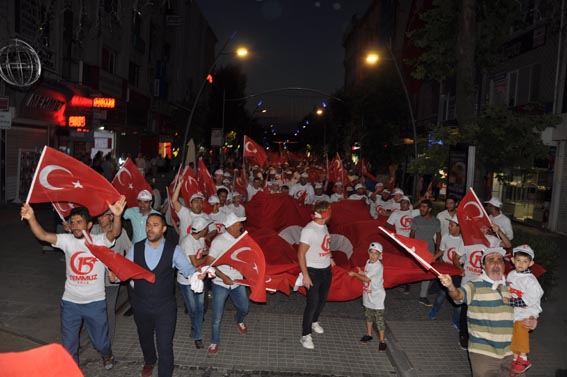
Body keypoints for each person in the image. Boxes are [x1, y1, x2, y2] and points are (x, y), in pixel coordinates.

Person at [20, 198, 126, 369]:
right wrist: (31, 217)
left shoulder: (98, 241)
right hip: (70, 303)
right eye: (72, 222)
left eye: (79, 222)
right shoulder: (66, 240)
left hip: (95, 302)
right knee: (69, 347)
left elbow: (114, 233)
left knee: (100, 343)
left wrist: (117, 216)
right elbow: (43, 235)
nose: (75, 226)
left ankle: (106, 353)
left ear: (89, 225)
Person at [120, 213, 202, 377]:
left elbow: (188, 269)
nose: (150, 228)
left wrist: (197, 275)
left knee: (165, 345)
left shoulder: (174, 250)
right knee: (145, 338)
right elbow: (124, 269)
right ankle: (150, 360)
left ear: (164, 229)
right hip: (141, 305)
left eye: (155, 225)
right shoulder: (137, 248)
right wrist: (115, 275)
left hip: (165, 307)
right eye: (148, 224)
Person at [439, 248, 538, 377]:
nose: (496, 263)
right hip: (484, 354)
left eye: (500, 260)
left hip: (512, 352)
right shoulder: (474, 285)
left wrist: (533, 320)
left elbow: (527, 307)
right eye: (491, 260)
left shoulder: (513, 285)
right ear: (483, 266)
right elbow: (458, 296)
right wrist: (451, 286)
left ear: (504, 265)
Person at [453, 223, 512, 350]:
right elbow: (456, 258)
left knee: (482, 312)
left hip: (487, 285)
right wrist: (460, 269)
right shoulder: (467, 241)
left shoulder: (493, 240)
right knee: (465, 312)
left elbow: (508, 245)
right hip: (468, 283)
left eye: (486, 226)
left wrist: (499, 230)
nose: (483, 229)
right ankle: (464, 335)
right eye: (480, 226)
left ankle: (480, 337)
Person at [205, 213, 250, 355]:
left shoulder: (242, 240)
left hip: (238, 281)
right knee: (217, 315)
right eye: (239, 224)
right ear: (231, 227)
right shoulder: (219, 242)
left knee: (244, 307)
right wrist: (223, 276)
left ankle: (239, 319)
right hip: (220, 283)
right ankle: (214, 341)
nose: (241, 226)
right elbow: (209, 262)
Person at [91, 209, 132, 343]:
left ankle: (108, 341)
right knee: (95, 310)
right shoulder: (92, 230)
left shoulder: (121, 232)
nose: (100, 218)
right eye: (98, 216)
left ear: (111, 217)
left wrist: (123, 271)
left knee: (108, 310)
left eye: (103, 216)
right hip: (94, 279)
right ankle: (97, 337)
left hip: (112, 280)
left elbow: (129, 251)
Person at [298, 201, 334, 350]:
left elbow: (325, 244)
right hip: (313, 271)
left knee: (322, 300)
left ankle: (314, 321)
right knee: (312, 303)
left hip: (325, 269)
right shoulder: (309, 230)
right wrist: (305, 275)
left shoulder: (324, 226)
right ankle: (305, 335)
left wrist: (330, 257)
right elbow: (300, 254)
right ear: (325, 215)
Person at [506, 244, 544, 375]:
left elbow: (531, 298)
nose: (521, 264)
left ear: (531, 263)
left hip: (528, 310)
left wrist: (510, 301)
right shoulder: (511, 274)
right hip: (516, 310)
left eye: (525, 261)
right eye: (518, 260)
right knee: (514, 334)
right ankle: (516, 358)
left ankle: (523, 358)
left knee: (521, 328)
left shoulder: (530, 280)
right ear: (512, 260)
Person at [178, 217, 211, 350]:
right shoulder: (187, 242)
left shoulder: (201, 239)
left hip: (198, 278)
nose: (208, 230)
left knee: (200, 307)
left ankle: (197, 335)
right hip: (186, 281)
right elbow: (195, 262)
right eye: (206, 228)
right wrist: (208, 258)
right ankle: (195, 326)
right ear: (202, 230)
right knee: (193, 308)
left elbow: (200, 253)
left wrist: (210, 252)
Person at [348, 242, 387, 352]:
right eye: (371, 252)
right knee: (368, 316)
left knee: (379, 320)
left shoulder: (378, 266)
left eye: (376, 254)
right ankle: (369, 334)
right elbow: (366, 274)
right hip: (368, 295)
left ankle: (382, 341)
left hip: (377, 297)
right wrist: (361, 272)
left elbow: (366, 279)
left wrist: (355, 274)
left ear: (380, 255)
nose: (373, 256)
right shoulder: (368, 262)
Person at [428, 217, 463, 330]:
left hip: (459, 272)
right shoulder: (446, 237)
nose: (449, 227)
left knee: (459, 298)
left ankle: (456, 320)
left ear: (459, 226)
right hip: (446, 270)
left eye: (452, 225)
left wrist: (462, 270)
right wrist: (431, 259)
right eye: (449, 225)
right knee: (442, 294)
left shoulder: (465, 240)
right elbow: (441, 251)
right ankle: (434, 310)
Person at [410, 200, 441, 307]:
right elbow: (412, 234)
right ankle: (407, 283)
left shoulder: (436, 221)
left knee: (428, 272)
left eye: (424, 207)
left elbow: (438, 235)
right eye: (421, 207)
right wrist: (411, 248)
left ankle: (423, 296)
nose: (421, 209)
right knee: (414, 270)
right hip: (417, 249)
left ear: (429, 209)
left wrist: (437, 250)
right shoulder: (416, 220)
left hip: (430, 250)